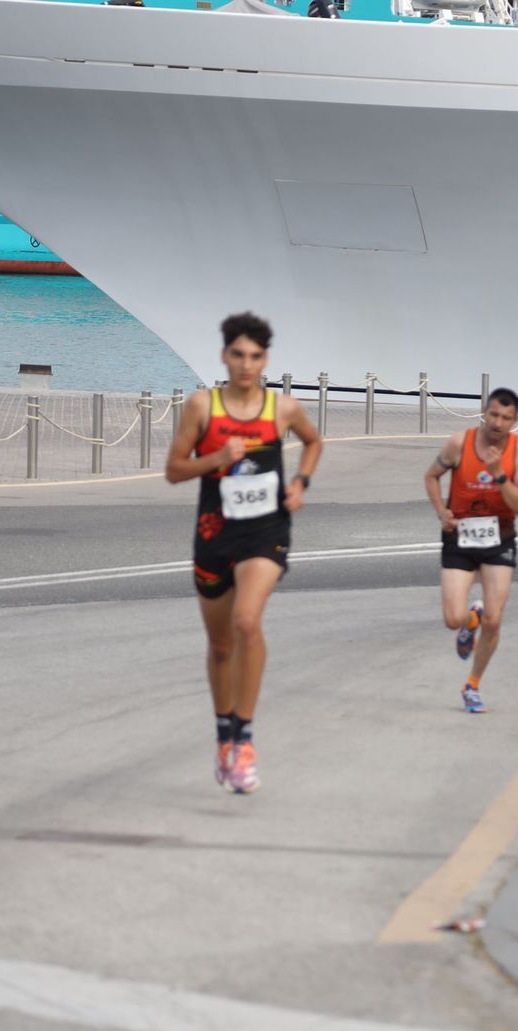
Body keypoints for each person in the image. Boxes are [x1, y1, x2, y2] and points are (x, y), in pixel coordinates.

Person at [165, 312, 323, 794]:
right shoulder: (202, 407)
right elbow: (173, 470)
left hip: (266, 532)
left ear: (266, 359)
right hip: (215, 533)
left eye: (255, 356)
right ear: (224, 356)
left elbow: (315, 443)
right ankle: (224, 738)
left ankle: (246, 740)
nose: (246, 364)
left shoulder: (283, 410)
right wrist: (217, 459)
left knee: (248, 621)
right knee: (221, 646)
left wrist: (300, 482)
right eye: (238, 354)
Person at [423, 388, 518, 714]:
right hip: (460, 536)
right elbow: (431, 476)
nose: (498, 423)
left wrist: (500, 474)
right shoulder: (460, 443)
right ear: (484, 413)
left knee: (496, 620)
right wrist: (440, 512)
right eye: (493, 415)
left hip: (499, 539)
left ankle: (472, 685)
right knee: (451, 618)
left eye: (506, 418)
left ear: (515, 421)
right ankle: (469, 619)